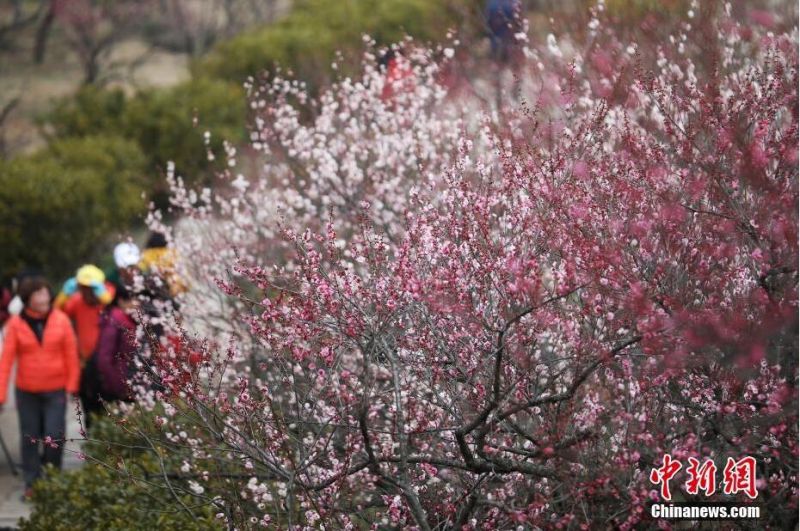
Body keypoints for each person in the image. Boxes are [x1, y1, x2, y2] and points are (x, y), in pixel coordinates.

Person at [0, 277, 79, 497]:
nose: (44, 297)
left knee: (54, 436)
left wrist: (73, 385)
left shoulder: (61, 320)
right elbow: (6, 361)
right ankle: (32, 484)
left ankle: (52, 478)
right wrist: (1, 394)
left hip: (56, 389)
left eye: (46, 292)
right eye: (39, 293)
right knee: (30, 437)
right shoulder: (15, 324)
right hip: (27, 392)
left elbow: (71, 355)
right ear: (28, 299)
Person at [93, 285, 139, 404]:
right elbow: (105, 358)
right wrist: (119, 387)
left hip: (130, 379)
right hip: (122, 382)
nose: (136, 303)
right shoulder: (115, 321)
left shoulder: (125, 318)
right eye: (131, 300)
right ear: (120, 301)